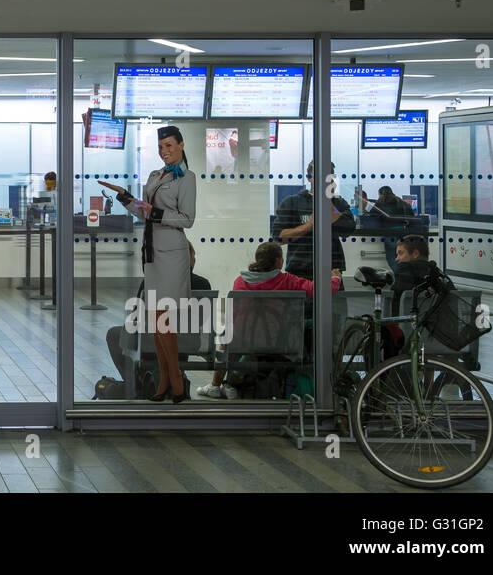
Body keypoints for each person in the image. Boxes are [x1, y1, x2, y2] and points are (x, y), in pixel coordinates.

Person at [111, 125, 197, 402]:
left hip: (173, 253)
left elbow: (187, 219)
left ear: (181, 145)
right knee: (155, 322)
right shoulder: (155, 175)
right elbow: (145, 214)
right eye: (161, 147)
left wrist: (155, 212)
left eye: (170, 146)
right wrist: (127, 200)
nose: (164, 152)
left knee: (163, 320)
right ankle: (165, 381)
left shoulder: (188, 178)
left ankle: (176, 383)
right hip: (153, 254)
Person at [197, 242, 341, 398]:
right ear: (278, 261)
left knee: (228, 333)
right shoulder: (286, 280)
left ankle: (217, 385)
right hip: (276, 343)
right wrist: (335, 278)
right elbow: (318, 290)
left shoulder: (240, 281)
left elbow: (235, 314)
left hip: (243, 342)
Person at [106, 265, 212, 396]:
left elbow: (136, 316)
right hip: (189, 343)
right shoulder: (203, 283)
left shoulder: (151, 281)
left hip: (152, 340)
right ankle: (174, 375)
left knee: (114, 334)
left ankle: (136, 384)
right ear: (191, 261)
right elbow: (203, 320)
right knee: (180, 337)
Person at [271, 161, 355, 278]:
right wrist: (309, 226)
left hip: (332, 269)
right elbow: (278, 237)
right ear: (308, 178)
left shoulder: (338, 203)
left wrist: (329, 202)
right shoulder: (292, 202)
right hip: (300, 269)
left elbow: (349, 229)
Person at [390, 233, 434, 317]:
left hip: (404, 325)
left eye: (400, 253)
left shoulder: (404, 269)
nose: (397, 259)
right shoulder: (438, 276)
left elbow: (393, 301)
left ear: (415, 254)